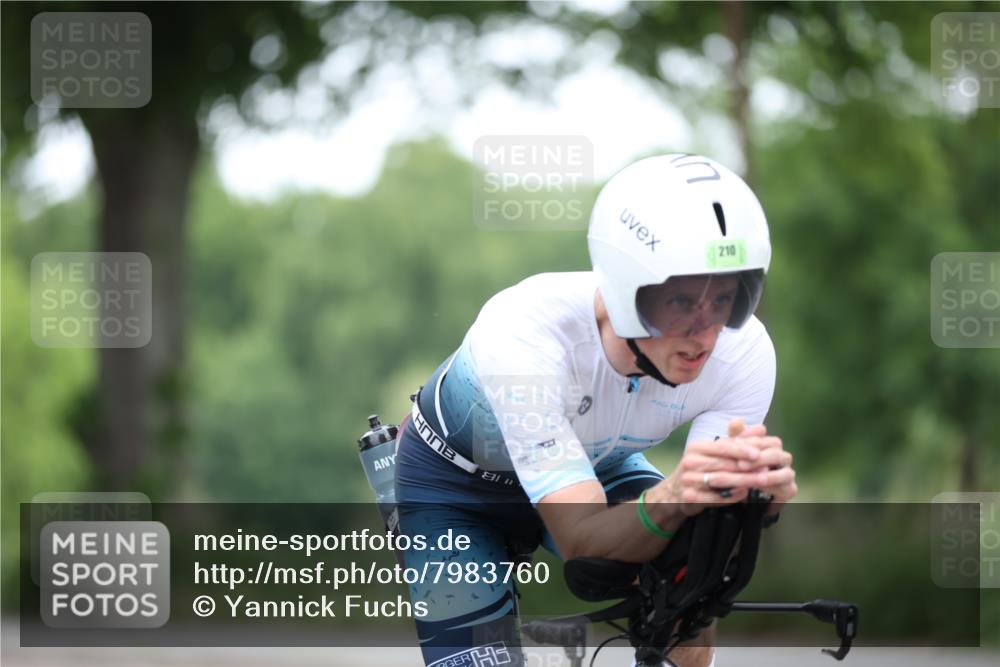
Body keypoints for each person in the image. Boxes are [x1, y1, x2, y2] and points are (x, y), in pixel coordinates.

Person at [394, 153, 798, 667]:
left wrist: (754, 503)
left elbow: (708, 532)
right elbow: (583, 541)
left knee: (687, 585)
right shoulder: (526, 335)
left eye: (727, 299)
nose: (708, 332)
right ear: (627, 290)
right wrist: (670, 496)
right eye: (681, 301)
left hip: (596, 468)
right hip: (455, 489)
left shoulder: (745, 353)